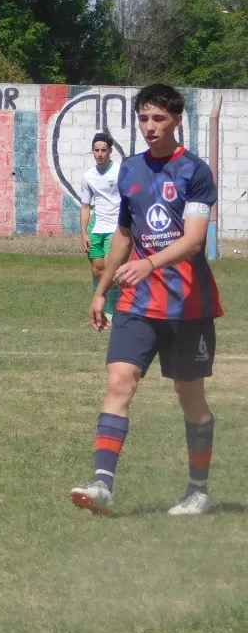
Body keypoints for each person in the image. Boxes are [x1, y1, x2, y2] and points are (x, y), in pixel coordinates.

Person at [70, 84, 222, 517]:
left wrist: (150, 263)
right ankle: (103, 485)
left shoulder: (194, 171)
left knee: (188, 393)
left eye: (158, 119)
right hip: (138, 301)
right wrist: (102, 291)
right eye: (143, 119)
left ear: (176, 121)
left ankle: (198, 491)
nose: (150, 127)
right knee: (119, 383)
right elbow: (123, 233)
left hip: (187, 305)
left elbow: (194, 240)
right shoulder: (130, 170)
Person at [79, 132, 122, 324]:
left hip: (116, 227)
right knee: (97, 271)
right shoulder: (88, 176)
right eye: (96, 150)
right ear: (92, 152)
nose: (99, 154)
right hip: (96, 228)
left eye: (103, 150)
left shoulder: (120, 172)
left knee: (110, 270)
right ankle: (100, 308)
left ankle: (112, 310)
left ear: (110, 151)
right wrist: (83, 234)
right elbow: (86, 206)